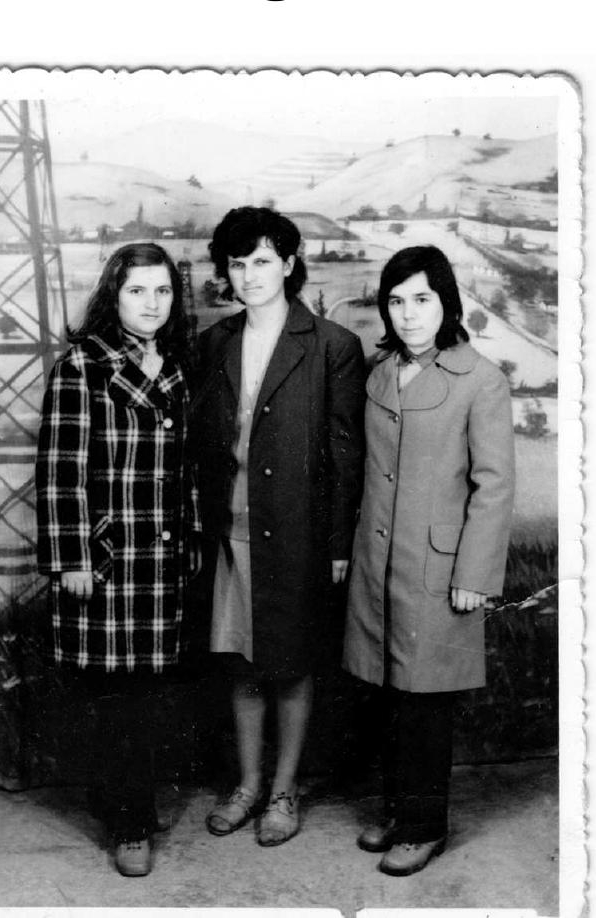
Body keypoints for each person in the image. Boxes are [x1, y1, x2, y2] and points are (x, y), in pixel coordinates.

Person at [191, 206, 365, 846]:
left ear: (289, 264)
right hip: (231, 531)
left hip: (297, 534)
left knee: (291, 665)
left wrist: (338, 544)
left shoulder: (332, 346)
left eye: (263, 260)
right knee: (241, 661)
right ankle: (247, 785)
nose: (250, 275)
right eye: (237, 263)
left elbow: (346, 455)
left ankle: (284, 791)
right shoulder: (215, 341)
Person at [343, 245, 515, 876]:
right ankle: (399, 813)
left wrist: (474, 576)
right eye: (396, 301)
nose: (408, 313)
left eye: (422, 299)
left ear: (447, 302)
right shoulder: (381, 371)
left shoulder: (481, 380)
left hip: (439, 570)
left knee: (425, 702)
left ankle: (424, 828)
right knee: (389, 692)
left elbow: (493, 486)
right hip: (379, 560)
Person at [35, 242, 200, 877]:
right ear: (114, 296)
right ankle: (131, 823)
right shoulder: (83, 366)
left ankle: (119, 797)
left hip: (162, 559)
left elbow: (185, 467)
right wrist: (72, 557)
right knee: (118, 696)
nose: (152, 303)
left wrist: (189, 537)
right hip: (107, 559)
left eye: (163, 291)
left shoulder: (176, 366)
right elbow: (61, 472)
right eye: (137, 291)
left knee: (148, 694)